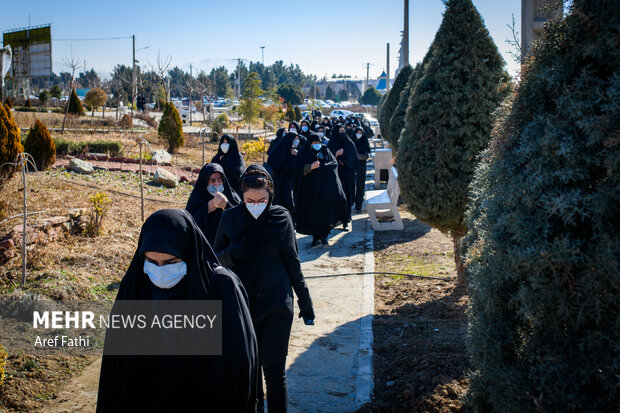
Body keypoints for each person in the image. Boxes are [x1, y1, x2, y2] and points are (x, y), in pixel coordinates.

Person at [97, 209, 258, 413]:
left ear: (189, 253)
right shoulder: (137, 288)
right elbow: (117, 369)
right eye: (152, 262)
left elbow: (236, 370)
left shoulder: (220, 288)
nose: (160, 270)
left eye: (171, 262)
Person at [213, 166, 315, 413]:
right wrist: (233, 253)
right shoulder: (231, 219)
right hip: (242, 306)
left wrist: (305, 301)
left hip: (277, 303)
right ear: (242, 196)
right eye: (250, 201)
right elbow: (215, 260)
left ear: (270, 196)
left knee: (275, 372)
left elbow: (292, 261)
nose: (256, 205)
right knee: (250, 370)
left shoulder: (281, 218)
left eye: (262, 200)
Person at [294, 133, 348, 247]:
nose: (317, 145)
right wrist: (310, 167)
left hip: (325, 190)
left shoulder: (325, 150)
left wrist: (323, 167)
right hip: (310, 191)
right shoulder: (304, 153)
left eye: (318, 143)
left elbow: (333, 164)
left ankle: (324, 236)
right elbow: (296, 169)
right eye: (314, 143)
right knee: (312, 214)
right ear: (310, 144)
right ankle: (315, 237)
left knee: (325, 214)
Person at [186, 163, 241, 245]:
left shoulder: (232, 197)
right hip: (203, 245)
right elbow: (189, 224)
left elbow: (240, 222)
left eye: (220, 179)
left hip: (226, 248)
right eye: (213, 180)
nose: (217, 184)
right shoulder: (197, 198)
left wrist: (226, 206)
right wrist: (208, 207)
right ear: (205, 181)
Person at [327, 124, 358, 230]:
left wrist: (344, 161)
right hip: (336, 176)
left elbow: (354, 159)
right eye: (339, 131)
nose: (342, 133)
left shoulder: (349, 143)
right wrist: (336, 154)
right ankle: (334, 220)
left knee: (347, 197)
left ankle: (346, 220)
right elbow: (327, 161)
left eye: (343, 130)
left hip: (347, 175)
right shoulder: (331, 144)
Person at [267, 132, 302, 219]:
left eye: (297, 139)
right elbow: (272, 161)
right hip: (280, 181)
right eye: (295, 139)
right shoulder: (281, 149)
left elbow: (301, 165)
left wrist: (297, 155)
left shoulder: (297, 151)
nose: (297, 141)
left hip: (292, 182)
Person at [352, 127, 371, 213]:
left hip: (361, 168)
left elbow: (367, 155)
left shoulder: (364, 141)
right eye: (357, 132)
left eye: (360, 132)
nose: (359, 134)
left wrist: (357, 156)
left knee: (360, 187)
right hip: (352, 167)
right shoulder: (351, 141)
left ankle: (358, 206)